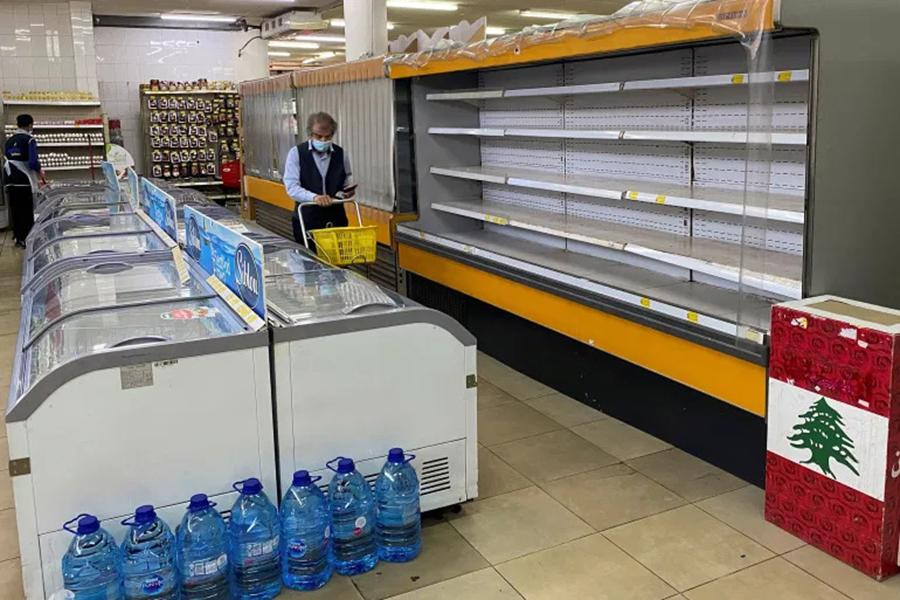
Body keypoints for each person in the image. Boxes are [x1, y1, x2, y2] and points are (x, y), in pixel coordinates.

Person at [282, 112, 354, 248]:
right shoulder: (297, 154)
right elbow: (292, 187)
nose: (323, 140)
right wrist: (314, 197)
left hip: (337, 220)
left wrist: (347, 191)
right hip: (307, 220)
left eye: (328, 136)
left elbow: (346, 180)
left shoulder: (341, 154)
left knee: (338, 257)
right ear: (310, 134)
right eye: (318, 136)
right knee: (309, 258)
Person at [3, 114, 44, 247]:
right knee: (26, 210)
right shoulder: (29, 140)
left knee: (15, 209)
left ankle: (18, 237)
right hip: (24, 180)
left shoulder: (10, 140)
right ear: (30, 125)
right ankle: (28, 239)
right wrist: (40, 170)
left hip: (9, 179)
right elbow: (32, 162)